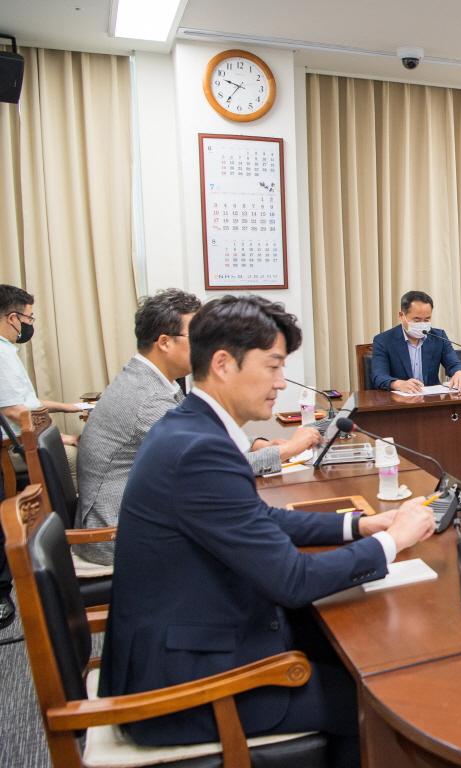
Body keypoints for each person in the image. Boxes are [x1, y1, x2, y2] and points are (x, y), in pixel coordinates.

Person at [99, 295, 436, 768]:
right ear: (222, 364)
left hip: (192, 640)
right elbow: (292, 581)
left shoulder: (191, 427)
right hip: (187, 687)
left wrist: (358, 525)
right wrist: (393, 540)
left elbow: (262, 520)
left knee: (351, 649)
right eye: (273, 366)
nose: (281, 383)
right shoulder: (199, 449)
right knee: (383, 696)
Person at [76, 290, 321, 566]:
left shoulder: (152, 380)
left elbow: (205, 435)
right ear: (165, 342)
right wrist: (288, 449)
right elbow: (212, 463)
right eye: (196, 337)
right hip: (116, 535)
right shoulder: (148, 398)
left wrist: (254, 444)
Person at [0, 284, 82, 630]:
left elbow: (30, 403)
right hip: (13, 449)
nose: (30, 325)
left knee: (76, 447)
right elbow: (13, 411)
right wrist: (56, 434)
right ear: (13, 317)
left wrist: (72, 406)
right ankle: (78, 540)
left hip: (25, 436)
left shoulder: (6, 351)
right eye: (29, 317)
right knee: (74, 457)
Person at [370, 290, 461, 393]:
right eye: (416, 320)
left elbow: (454, 364)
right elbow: (378, 376)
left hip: (431, 400)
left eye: (426, 320)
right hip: (399, 402)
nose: (422, 324)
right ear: (401, 316)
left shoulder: (438, 337)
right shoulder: (383, 340)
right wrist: (399, 384)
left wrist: (459, 372)